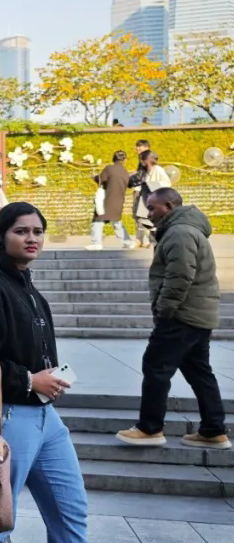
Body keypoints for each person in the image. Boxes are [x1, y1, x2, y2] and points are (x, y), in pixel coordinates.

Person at [0, 202, 90, 543]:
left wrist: (48, 377)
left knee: (71, 514)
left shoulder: (25, 285)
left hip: (44, 420)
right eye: (21, 231)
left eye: (38, 232)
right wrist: (29, 380)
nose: (32, 239)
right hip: (5, 418)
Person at [116, 189, 229, 449]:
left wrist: (163, 311)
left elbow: (179, 277)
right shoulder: (186, 229)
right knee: (199, 372)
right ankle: (213, 430)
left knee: (155, 366)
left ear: (168, 206)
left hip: (182, 315)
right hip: (197, 314)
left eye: (152, 208)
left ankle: (149, 428)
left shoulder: (180, 233)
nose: (150, 214)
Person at [87, 151, 132, 250]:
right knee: (116, 222)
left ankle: (96, 243)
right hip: (119, 200)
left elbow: (100, 180)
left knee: (98, 220)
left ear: (113, 158)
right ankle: (127, 242)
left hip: (106, 199)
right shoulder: (125, 172)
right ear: (124, 160)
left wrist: (94, 176)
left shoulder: (109, 169)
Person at [131, 150, 171, 249]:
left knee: (154, 222)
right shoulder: (145, 171)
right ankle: (147, 241)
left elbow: (167, 183)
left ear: (147, 160)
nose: (141, 162)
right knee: (143, 220)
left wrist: (150, 185)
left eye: (142, 160)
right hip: (146, 199)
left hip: (156, 199)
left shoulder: (158, 170)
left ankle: (154, 242)